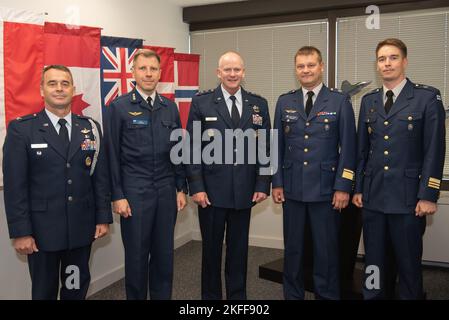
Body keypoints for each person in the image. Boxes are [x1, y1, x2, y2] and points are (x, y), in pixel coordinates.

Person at [2, 65, 111, 300]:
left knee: (75, 288)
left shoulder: (90, 128)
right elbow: (14, 187)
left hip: (80, 230)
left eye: (65, 83)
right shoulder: (23, 129)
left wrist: (102, 216)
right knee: (44, 292)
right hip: (42, 234)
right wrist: (21, 232)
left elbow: (99, 177)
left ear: (73, 89)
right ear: (42, 90)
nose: (59, 89)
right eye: (52, 84)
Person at [352, 38, 446, 300]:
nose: (387, 63)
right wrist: (358, 188)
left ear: (404, 61)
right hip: (373, 198)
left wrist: (428, 194)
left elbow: (434, 151)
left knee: (408, 265)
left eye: (393, 57)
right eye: (382, 59)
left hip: (408, 199)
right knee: (373, 263)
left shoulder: (427, 97)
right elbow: (362, 151)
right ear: (377, 65)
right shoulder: (369, 101)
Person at [272, 46, 357, 300]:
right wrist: (277, 182)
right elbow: (276, 145)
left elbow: (349, 148)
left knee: (326, 253)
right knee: (294, 251)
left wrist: (343, 186)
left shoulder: (339, 101)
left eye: (311, 65)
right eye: (301, 66)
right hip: (293, 189)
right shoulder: (285, 101)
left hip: (326, 190)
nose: (306, 70)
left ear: (321, 66)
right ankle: (293, 295)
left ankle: (327, 296)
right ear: (296, 69)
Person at [186, 51, 271, 300]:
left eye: (237, 70)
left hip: (244, 191)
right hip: (211, 193)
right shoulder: (202, 103)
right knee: (211, 252)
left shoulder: (258, 104)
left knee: (238, 252)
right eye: (227, 70)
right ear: (218, 73)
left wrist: (263, 182)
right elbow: (191, 148)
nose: (232, 74)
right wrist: (197, 186)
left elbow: (266, 146)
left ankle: (237, 299)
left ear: (243, 72)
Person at [106, 49, 187, 300]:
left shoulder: (169, 107)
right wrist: (117, 195)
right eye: (143, 68)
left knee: (164, 256)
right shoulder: (119, 108)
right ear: (134, 72)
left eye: (153, 69)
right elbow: (111, 155)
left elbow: (177, 152)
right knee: (137, 257)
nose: (149, 74)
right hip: (134, 191)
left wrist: (180, 187)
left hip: (165, 191)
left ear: (160, 73)